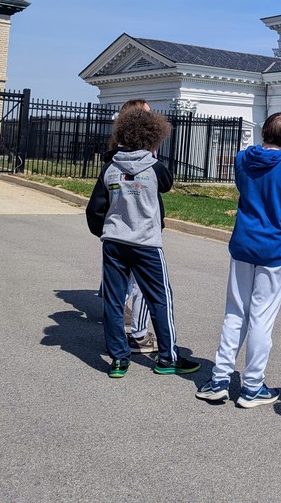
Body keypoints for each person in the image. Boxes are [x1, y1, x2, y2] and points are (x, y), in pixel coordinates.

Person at [195, 112, 281, 407]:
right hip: (274, 249)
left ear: (262, 133)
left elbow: (244, 184)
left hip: (244, 243)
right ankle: (252, 385)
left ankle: (220, 377)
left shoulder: (242, 159)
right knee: (261, 317)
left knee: (235, 312)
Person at [86, 109, 200, 378]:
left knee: (114, 300)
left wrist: (105, 231)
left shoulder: (110, 168)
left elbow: (95, 209)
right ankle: (167, 357)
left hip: (114, 241)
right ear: (153, 136)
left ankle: (118, 359)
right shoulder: (155, 167)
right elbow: (167, 185)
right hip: (146, 242)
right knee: (160, 298)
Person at [103, 98, 157, 355]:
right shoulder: (136, 155)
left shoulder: (115, 157)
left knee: (123, 283)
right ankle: (138, 333)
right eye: (146, 114)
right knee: (143, 284)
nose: (151, 117)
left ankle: (122, 334)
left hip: (117, 231)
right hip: (139, 231)